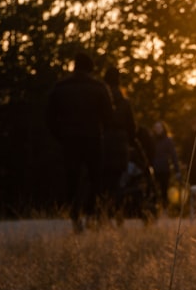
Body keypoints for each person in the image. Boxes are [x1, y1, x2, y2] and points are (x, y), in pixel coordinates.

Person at [45, 51, 113, 233]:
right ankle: (91, 214)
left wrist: (61, 136)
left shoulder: (60, 88)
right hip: (93, 140)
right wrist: (101, 133)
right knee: (95, 179)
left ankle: (75, 217)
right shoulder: (99, 87)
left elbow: (49, 118)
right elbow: (109, 118)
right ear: (90, 68)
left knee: (72, 179)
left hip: (70, 141)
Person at [101, 66, 137, 221]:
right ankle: (117, 213)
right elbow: (133, 127)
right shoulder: (124, 102)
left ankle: (102, 213)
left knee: (103, 181)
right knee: (117, 182)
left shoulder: (101, 99)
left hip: (103, 144)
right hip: (120, 146)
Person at [150, 121, 181, 215]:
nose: (158, 129)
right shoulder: (151, 140)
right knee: (153, 190)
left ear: (163, 128)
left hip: (164, 169)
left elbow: (173, 155)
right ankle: (154, 210)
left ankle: (165, 210)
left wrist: (177, 170)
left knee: (164, 190)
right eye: (156, 127)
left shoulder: (168, 140)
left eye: (159, 127)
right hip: (153, 169)